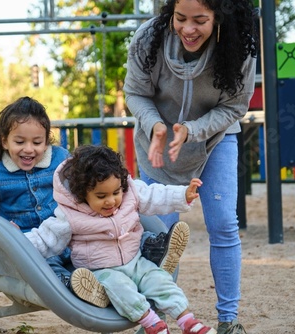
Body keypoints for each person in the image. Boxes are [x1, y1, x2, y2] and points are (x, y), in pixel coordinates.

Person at [123, 0, 258, 333]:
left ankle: (228, 320)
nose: (188, 29)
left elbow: (234, 106)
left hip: (214, 138)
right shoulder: (148, 38)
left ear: (219, 17)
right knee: (160, 236)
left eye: (200, 20)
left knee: (224, 223)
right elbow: (135, 93)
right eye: (180, 18)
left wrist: (193, 130)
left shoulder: (237, 46)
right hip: (159, 143)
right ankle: (155, 320)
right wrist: (156, 125)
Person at [25, 145, 215, 334]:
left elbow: (154, 195)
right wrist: (14, 243)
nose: (111, 201)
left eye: (116, 192)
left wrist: (182, 195)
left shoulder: (130, 193)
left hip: (136, 260)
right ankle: (152, 324)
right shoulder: (70, 216)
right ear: (83, 194)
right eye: (101, 196)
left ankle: (188, 322)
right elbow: (45, 238)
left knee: (160, 280)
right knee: (120, 287)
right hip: (101, 270)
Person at [0, 96, 110, 306]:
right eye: (19, 142)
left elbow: (82, 187)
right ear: (4, 141)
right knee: (47, 266)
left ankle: (114, 277)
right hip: (30, 246)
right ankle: (69, 287)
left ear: (46, 141)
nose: (29, 149)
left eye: (37, 142)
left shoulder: (60, 160)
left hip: (67, 236)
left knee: (98, 250)